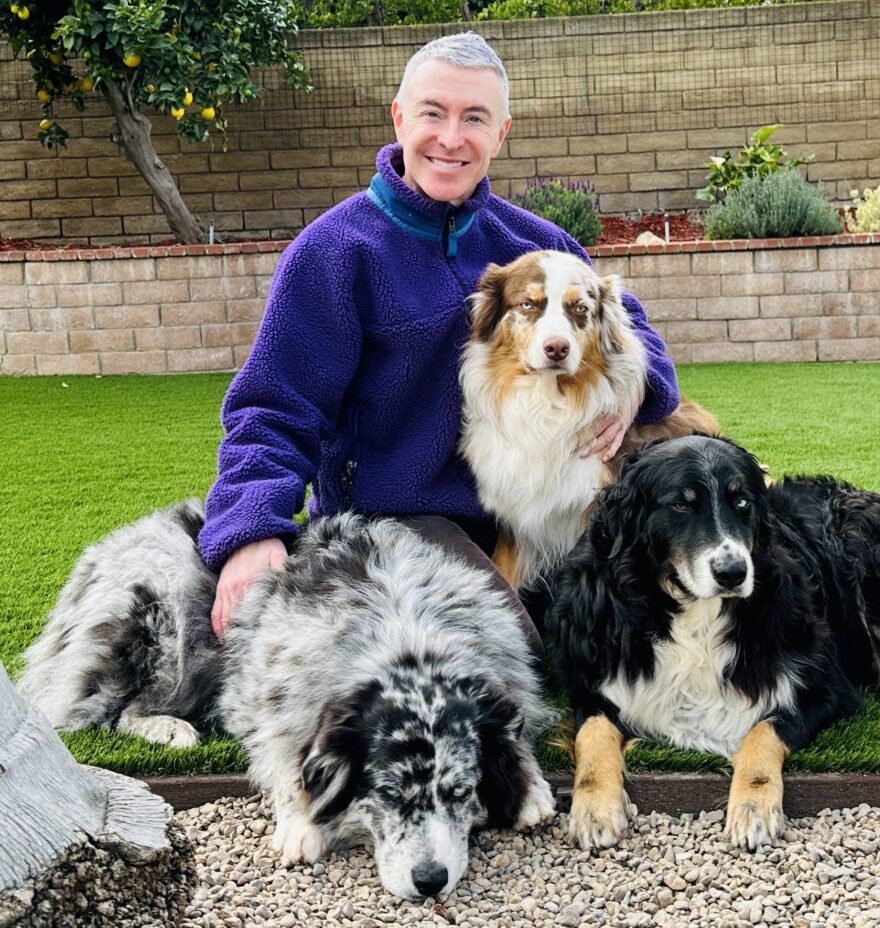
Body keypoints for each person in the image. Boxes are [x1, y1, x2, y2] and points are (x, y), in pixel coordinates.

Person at [198, 32, 681, 642]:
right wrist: (251, 530)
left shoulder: (533, 244)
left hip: (519, 512)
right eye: (433, 112)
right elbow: (272, 406)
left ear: (500, 134)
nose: (451, 138)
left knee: (626, 618)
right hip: (398, 517)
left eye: (474, 118)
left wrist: (641, 389)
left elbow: (627, 324)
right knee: (514, 645)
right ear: (400, 118)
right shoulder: (332, 253)